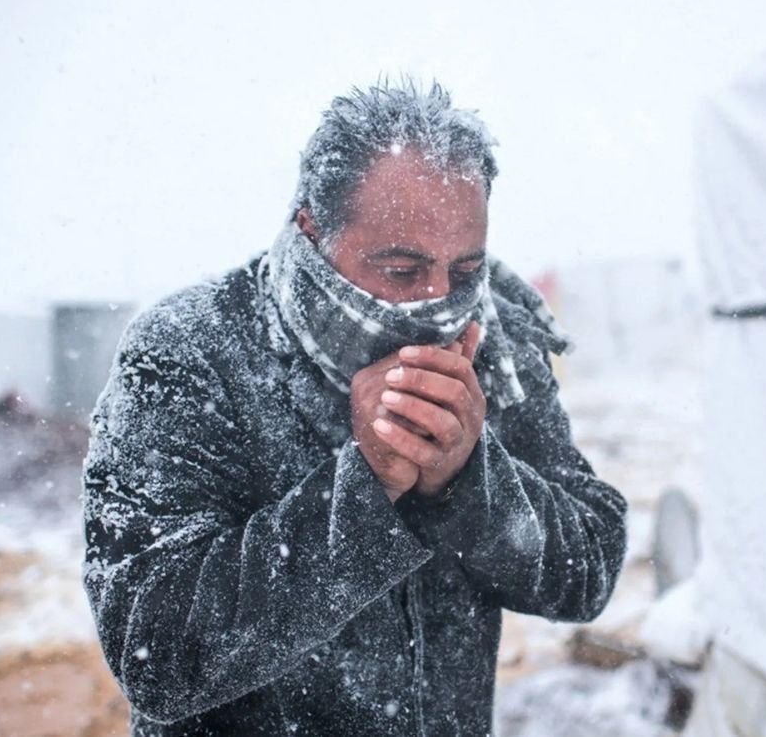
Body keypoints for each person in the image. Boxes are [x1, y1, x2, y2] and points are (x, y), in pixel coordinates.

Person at [81, 80, 628, 736]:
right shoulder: (191, 350)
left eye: (464, 271)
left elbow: (587, 569)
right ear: (313, 228)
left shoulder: (496, 338)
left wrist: (468, 481)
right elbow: (155, 653)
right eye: (401, 271)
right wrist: (366, 488)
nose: (439, 302)